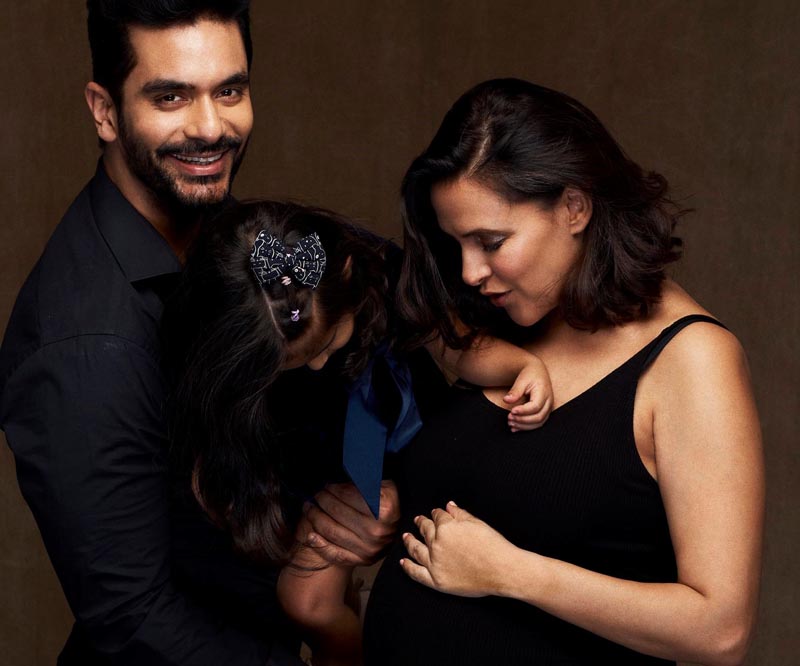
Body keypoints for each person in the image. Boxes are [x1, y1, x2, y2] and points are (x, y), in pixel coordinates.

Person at [0, 2, 388, 664]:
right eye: (171, 97)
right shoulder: (87, 346)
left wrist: (370, 491)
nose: (210, 128)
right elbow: (134, 619)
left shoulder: (231, 238)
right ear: (104, 111)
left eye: (229, 91)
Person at [363, 78, 764, 666]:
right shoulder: (501, 324)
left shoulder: (692, 360)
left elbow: (720, 631)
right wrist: (382, 507)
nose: (470, 271)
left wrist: (513, 573)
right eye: (457, 245)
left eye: (491, 241)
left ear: (574, 208)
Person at [162, 199, 555, 665]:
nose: (317, 365)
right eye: (291, 363)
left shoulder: (389, 275)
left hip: (392, 438)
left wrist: (521, 365)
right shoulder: (227, 356)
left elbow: (459, 348)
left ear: (348, 275)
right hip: (300, 455)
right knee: (306, 602)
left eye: (328, 344)